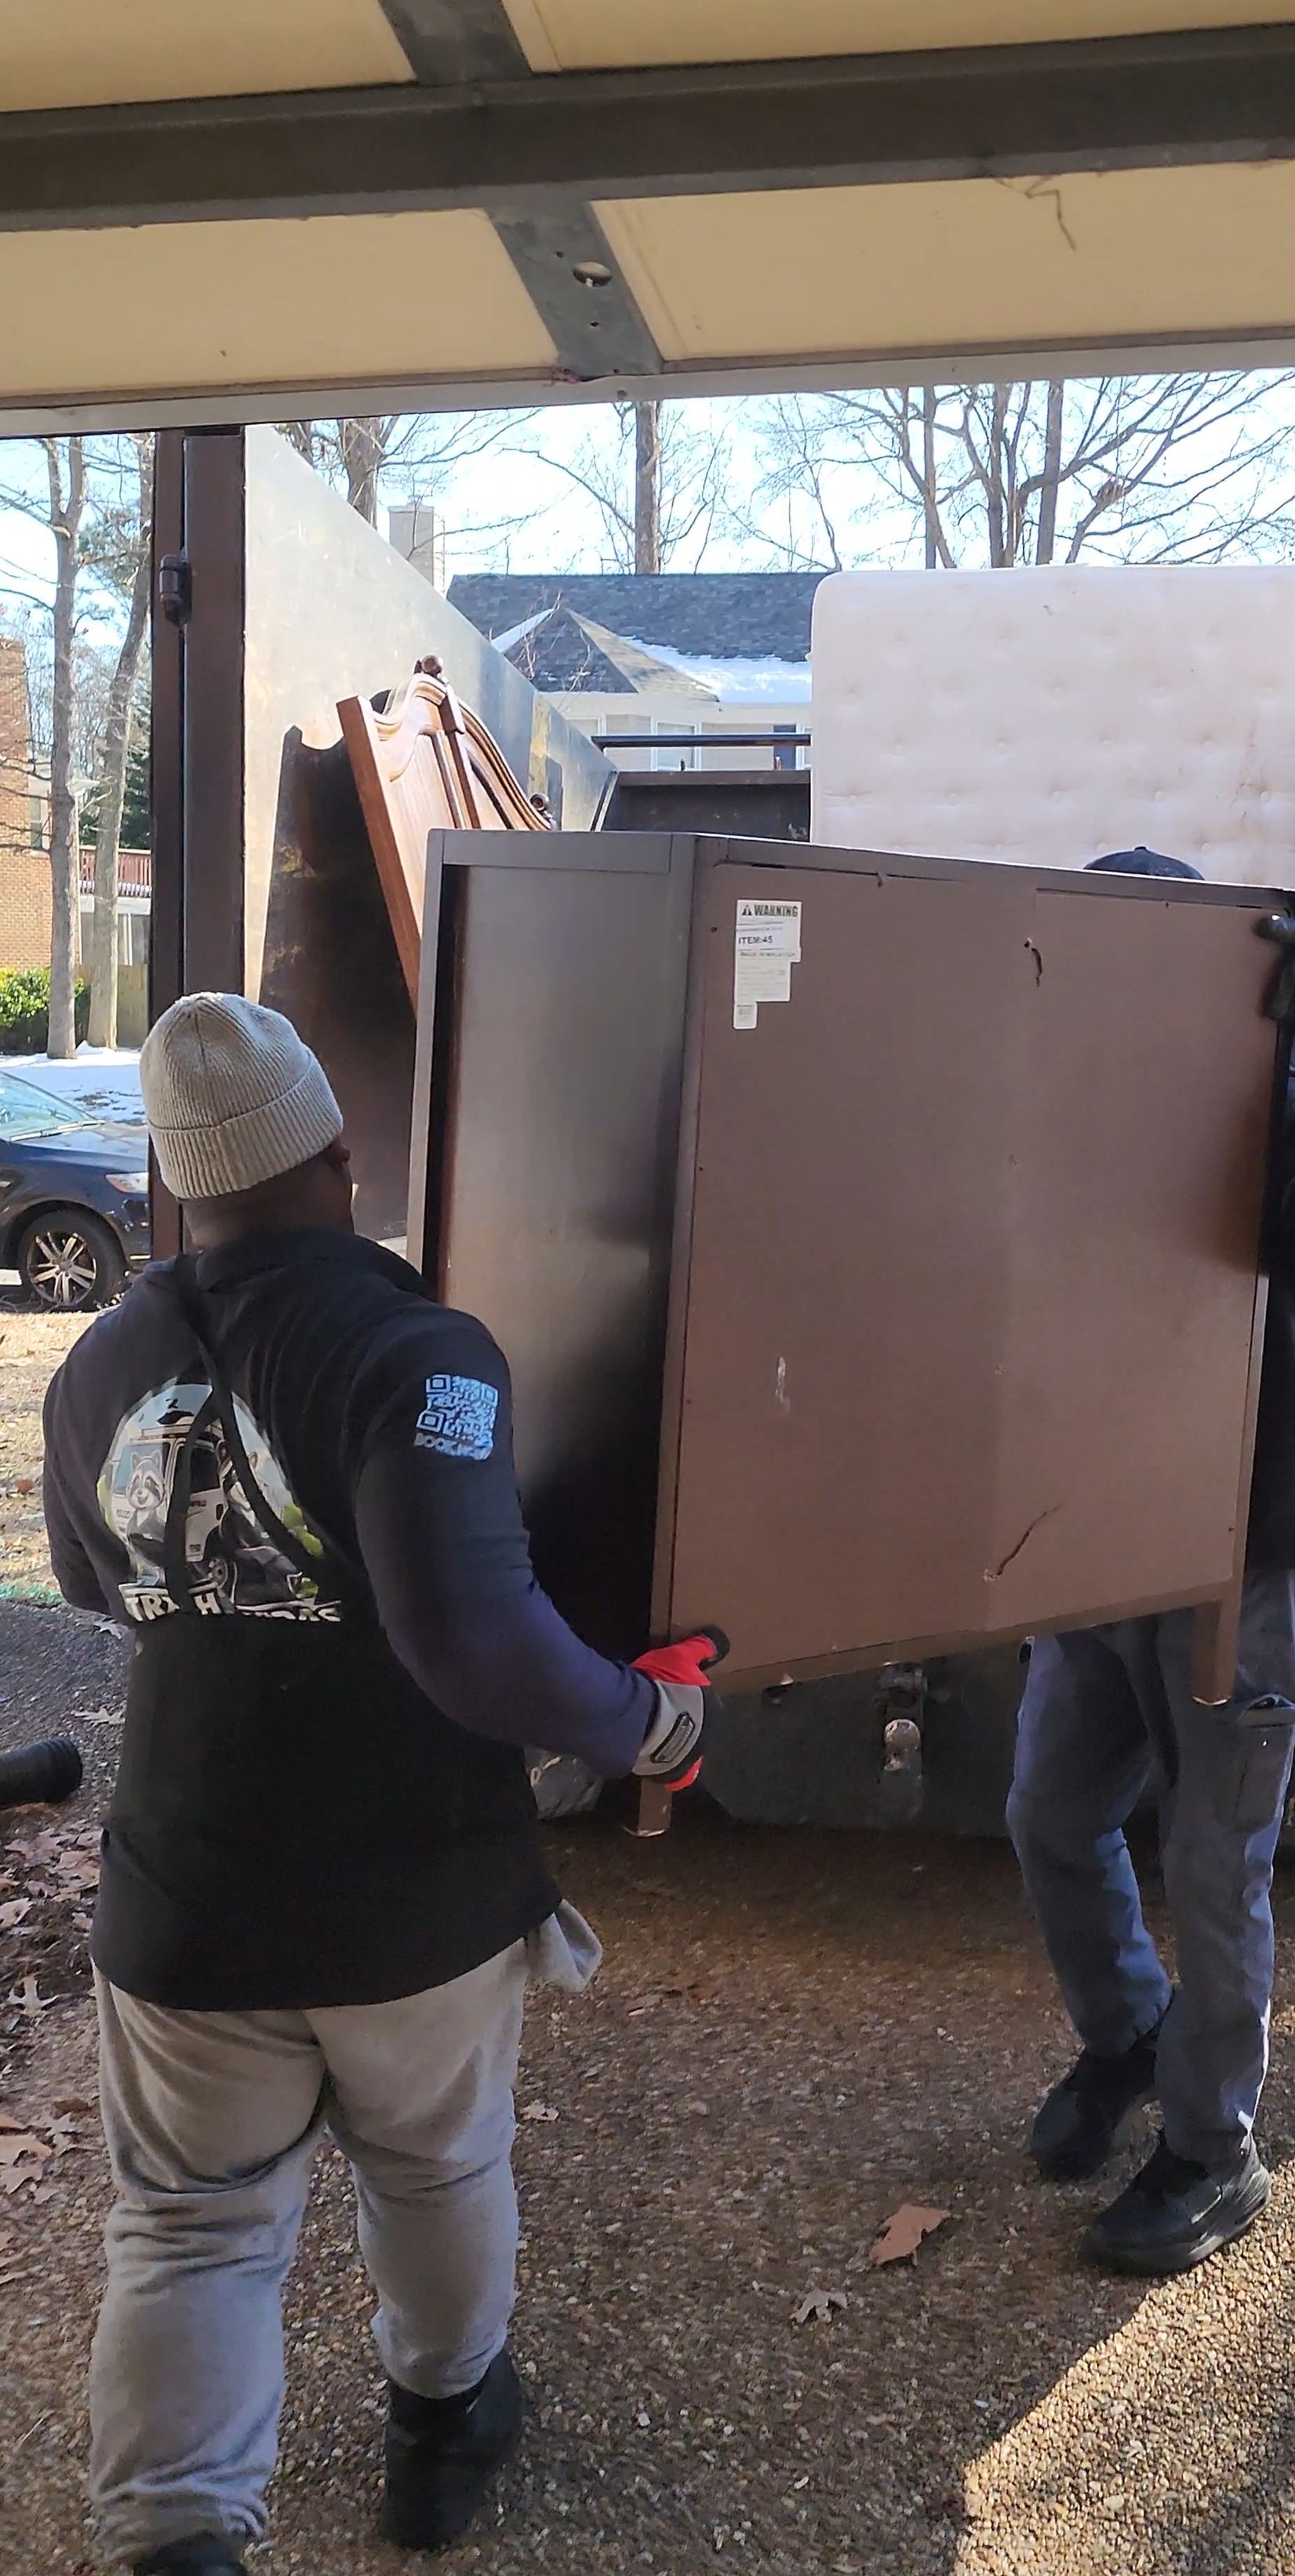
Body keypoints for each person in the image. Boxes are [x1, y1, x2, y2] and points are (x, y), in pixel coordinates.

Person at [42, 994, 721, 2576]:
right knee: (435, 2163)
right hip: (413, 1890)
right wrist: (650, 1725)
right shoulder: (415, 1351)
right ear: (339, 1154)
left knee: (194, 2227)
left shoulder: (96, 1369)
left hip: (189, 1889)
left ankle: (180, 2540)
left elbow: (91, 1583)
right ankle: (443, 2433)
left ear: (171, 1179)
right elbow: (480, 1644)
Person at [1006, 852, 1295, 2276]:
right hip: (1098, 1532)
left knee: (1214, 1858)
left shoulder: (1271, 1103)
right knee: (1052, 1811)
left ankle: (1213, 2147)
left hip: (1240, 1540)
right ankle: (1129, 2037)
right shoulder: (1054, 1118)